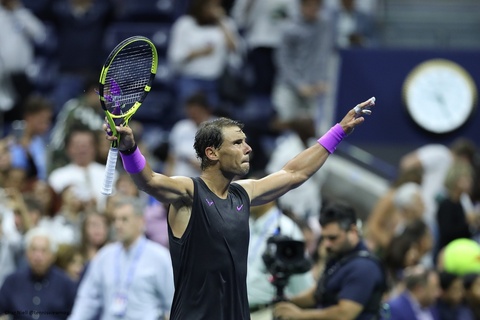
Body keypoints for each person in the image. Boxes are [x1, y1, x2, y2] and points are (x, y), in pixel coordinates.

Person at [104, 97, 376, 319]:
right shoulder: (189, 192)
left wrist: (338, 131)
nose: (247, 148)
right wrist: (130, 150)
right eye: (237, 142)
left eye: (245, 141)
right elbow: (149, 181)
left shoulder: (243, 193)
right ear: (212, 153)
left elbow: (295, 173)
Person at [273, 201, 386, 320]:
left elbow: (344, 314)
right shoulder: (340, 257)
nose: (326, 244)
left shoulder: (364, 268)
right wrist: (286, 303)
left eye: (333, 238)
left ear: (353, 231)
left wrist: (300, 315)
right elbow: (318, 294)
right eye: (324, 237)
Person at [68, 197, 174, 320]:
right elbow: (87, 300)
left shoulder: (159, 257)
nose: (118, 225)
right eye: (115, 220)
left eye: (124, 219)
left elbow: (172, 302)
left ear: (140, 221)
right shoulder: (104, 257)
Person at [247, 172, 314, 320]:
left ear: (270, 194)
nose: (246, 197)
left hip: (265, 312)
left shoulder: (286, 230)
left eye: (251, 191)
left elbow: (302, 284)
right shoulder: (247, 224)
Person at [0, 227, 77, 319]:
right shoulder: (12, 281)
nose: (38, 256)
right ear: (26, 254)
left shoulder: (66, 284)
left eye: (43, 251)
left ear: (52, 255)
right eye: (33, 250)